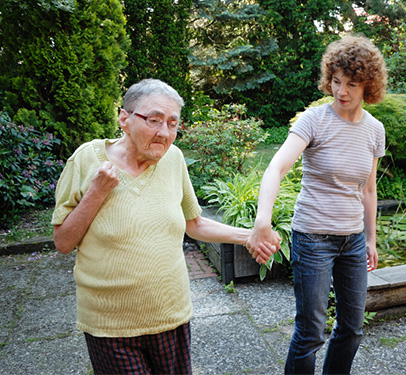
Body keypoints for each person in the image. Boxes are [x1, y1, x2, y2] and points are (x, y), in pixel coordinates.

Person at [51, 78, 278, 374]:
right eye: (154, 120)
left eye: (172, 123)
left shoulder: (173, 159)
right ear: (124, 118)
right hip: (110, 324)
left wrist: (250, 237)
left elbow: (194, 223)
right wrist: (97, 191)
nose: (164, 133)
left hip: (170, 314)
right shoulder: (86, 160)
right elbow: (63, 242)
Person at [246, 34, 388, 374]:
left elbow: (368, 189)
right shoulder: (315, 120)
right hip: (312, 239)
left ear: (368, 85)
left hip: (352, 241)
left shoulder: (374, 130)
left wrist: (370, 238)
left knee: (352, 329)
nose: (342, 91)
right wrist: (262, 220)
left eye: (352, 84)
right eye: (337, 82)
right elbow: (276, 167)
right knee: (310, 333)